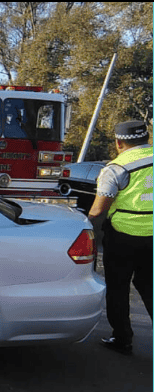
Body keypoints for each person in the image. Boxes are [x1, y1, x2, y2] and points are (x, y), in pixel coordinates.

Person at [88, 120, 153, 355]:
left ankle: (122, 339)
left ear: (118, 142)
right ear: (146, 138)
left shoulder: (116, 168)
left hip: (123, 237)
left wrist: (87, 230)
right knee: (149, 285)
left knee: (118, 287)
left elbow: (98, 210)